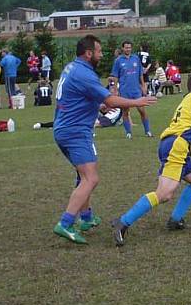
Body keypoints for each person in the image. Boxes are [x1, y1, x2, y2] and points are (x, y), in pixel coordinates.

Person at [52, 35, 158, 244]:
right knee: (91, 178)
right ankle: (65, 224)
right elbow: (110, 98)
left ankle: (86, 217)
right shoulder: (84, 73)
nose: (101, 55)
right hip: (76, 131)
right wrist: (137, 101)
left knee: (82, 176)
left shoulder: (72, 68)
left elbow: (77, 97)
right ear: (89, 53)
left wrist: (98, 107)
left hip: (64, 128)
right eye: (99, 51)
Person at [111, 69, 191, 246]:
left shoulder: (187, 101)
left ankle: (176, 219)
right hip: (177, 147)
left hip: (174, 144)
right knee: (164, 194)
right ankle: (123, 222)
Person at [109, 40, 153, 139]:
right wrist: (115, 90)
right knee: (125, 112)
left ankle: (148, 131)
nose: (128, 49)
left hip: (136, 90)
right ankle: (128, 133)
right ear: (123, 48)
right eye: (126, 47)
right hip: (125, 90)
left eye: (129, 47)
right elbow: (115, 77)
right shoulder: (118, 61)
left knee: (142, 110)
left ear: (131, 48)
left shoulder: (136, 59)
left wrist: (143, 86)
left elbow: (140, 74)